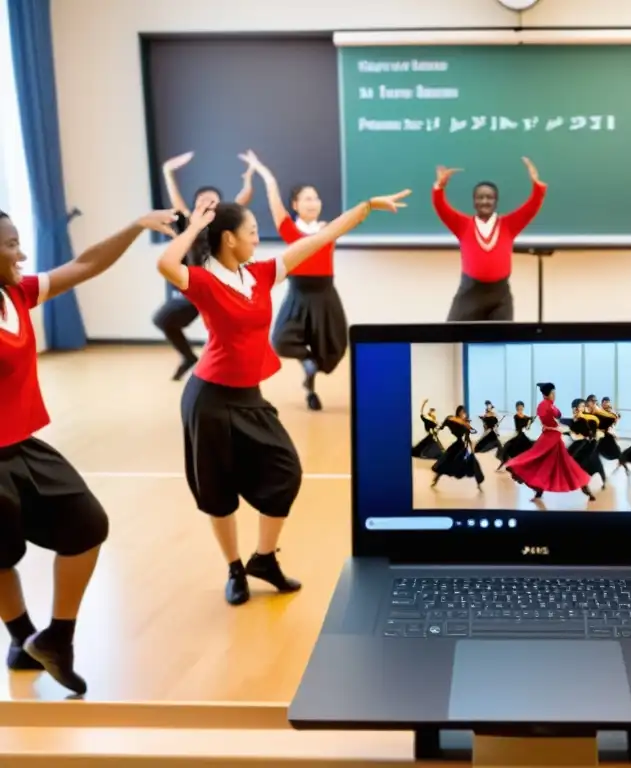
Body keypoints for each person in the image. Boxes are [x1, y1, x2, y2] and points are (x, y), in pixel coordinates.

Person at [157, 189, 409, 606]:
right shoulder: (200, 280)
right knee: (218, 491)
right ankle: (235, 569)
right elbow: (165, 263)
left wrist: (365, 207)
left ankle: (264, 558)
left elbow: (321, 237)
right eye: (252, 231)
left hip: (249, 396)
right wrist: (197, 226)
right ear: (229, 239)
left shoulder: (260, 274)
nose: (258, 238)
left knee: (286, 471)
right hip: (210, 399)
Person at [1, 207, 176, 694]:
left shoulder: (15, 294)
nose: (23, 253)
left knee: (86, 524)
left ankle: (56, 636)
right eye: (12, 244)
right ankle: (21, 638)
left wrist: (136, 224)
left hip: (22, 445)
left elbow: (85, 265)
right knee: (0, 556)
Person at [240, 151, 347, 411]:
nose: (313, 202)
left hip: (325, 295)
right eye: (307, 199)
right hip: (299, 294)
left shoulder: (328, 230)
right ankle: (307, 364)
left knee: (336, 346)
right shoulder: (290, 229)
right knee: (281, 341)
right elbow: (274, 197)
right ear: (296, 205)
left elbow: (352, 217)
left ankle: (310, 383)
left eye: (316, 198)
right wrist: (262, 170)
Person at [154, 151, 254, 381]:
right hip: (194, 289)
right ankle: (188, 357)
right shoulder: (189, 223)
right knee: (163, 320)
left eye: (212, 200)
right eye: (201, 200)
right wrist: (167, 171)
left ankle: (233, 371)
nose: (207, 203)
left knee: (226, 335)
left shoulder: (225, 223)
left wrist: (248, 176)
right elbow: (176, 201)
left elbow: (245, 197)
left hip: (220, 290)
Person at [433, 158, 546, 321]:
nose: (484, 201)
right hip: (470, 293)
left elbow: (532, 207)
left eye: (489, 197)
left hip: (500, 296)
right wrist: (439, 187)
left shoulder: (508, 225)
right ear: (474, 201)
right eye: (480, 197)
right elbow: (441, 208)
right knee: (452, 336)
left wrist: (537, 185)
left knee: (499, 342)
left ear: (496, 201)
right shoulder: (463, 225)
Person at [504, 383, 596, 502]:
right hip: (550, 439)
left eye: (554, 393)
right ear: (547, 394)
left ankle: (537, 488)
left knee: (549, 464)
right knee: (545, 462)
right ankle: (518, 469)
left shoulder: (546, 405)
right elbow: (557, 414)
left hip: (551, 437)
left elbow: (556, 415)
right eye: (553, 393)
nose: (554, 395)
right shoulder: (546, 406)